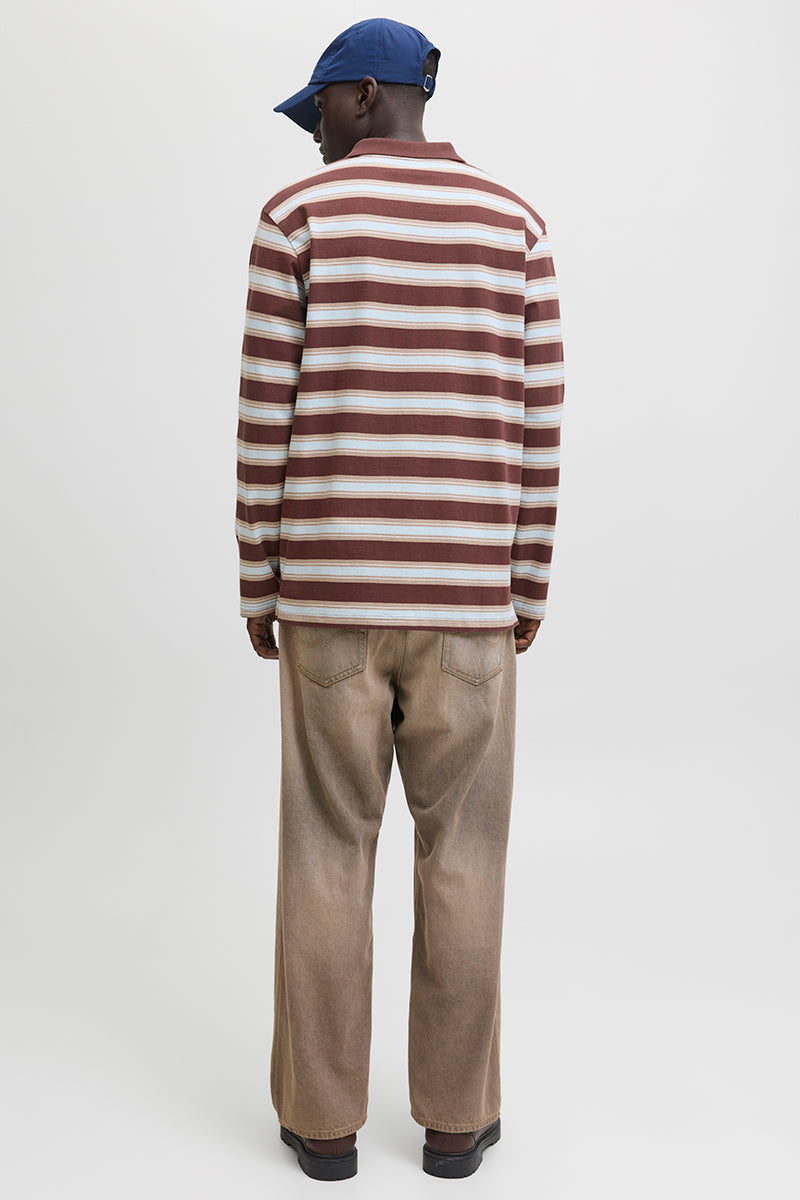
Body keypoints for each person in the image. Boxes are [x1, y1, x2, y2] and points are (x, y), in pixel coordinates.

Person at [235, 17, 565, 1182]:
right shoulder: (514, 227)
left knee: (325, 853)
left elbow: (264, 416)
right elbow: (537, 424)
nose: (313, 132)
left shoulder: (297, 220)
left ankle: (323, 1128)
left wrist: (259, 581)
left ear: (367, 94)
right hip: (468, 605)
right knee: (464, 856)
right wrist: (524, 583)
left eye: (320, 108)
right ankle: (454, 1124)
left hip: (329, 595)